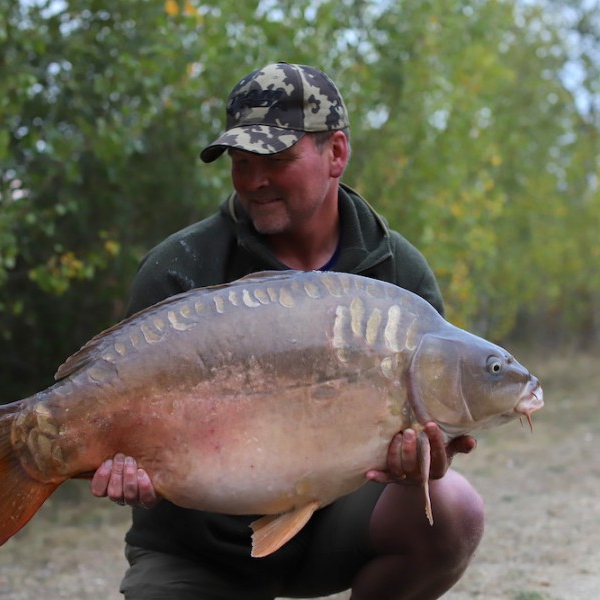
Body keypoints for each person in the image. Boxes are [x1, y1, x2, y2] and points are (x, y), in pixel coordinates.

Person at [90, 62, 483, 600]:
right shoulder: (180, 268)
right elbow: (128, 424)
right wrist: (127, 471)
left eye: (275, 158)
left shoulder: (398, 275)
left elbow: (433, 437)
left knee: (454, 507)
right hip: (197, 547)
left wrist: (426, 464)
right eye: (241, 161)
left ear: (336, 153)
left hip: (340, 528)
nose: (253, 180)